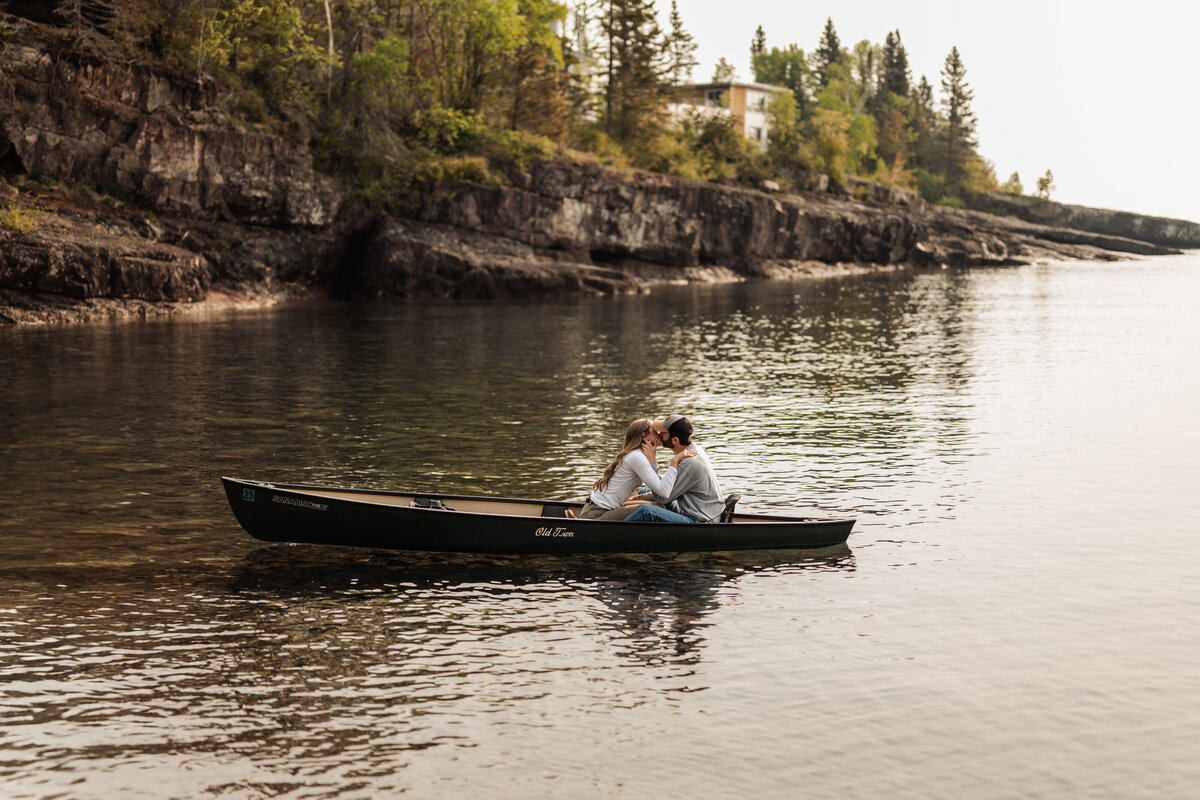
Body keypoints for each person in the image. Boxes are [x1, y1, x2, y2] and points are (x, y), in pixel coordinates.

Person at [578, 418, 696, 520]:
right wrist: (674, 462)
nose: (660, 433)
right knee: (655, 509)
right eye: (655, 431)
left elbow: (660, 484)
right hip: (596, 514)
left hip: (599, 508)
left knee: (653, 500)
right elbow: (664, 492)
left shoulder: (638, 454)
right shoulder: (637, 457)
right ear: (645, 436)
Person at [625, 415, 724, 523]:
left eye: (663, 432)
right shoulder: (694, 449)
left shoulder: (689, 462)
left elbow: (661, 498)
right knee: (645, 490)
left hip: (701, 521)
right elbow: (666, 489)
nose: (659, 434)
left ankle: (611, 532)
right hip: (702, 511)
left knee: (646, 511)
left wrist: (652, 460)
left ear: (675, 440)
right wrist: (640, 497)